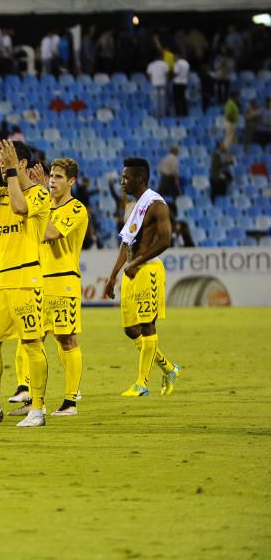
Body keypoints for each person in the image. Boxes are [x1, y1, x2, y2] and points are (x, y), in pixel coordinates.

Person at [0, 140, 52, 429]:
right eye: (1, 162)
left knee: (31, 343)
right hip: (0, 281)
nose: (2, 167)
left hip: (26, 280)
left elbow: (20, 207)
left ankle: (37, 409)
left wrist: (12, 173)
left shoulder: (40, 194)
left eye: (6, 161)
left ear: (22, 164)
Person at [104, 158, 183, 397]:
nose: (121, 182)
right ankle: (169, 368)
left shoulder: (157, 205)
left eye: (125, 177)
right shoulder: (132, 206)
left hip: (148, 270)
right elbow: (125, 243)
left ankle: (142, 384)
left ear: (139, 178)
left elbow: (165, 240)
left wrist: (137, 262)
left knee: (148, 324)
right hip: (131, 272)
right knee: (130, 329)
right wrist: (112, 276)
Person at [23, 158, 89, 417]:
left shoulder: (76, 209)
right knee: (33, 339)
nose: (52, 181)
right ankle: (33, 399)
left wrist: (40, 204)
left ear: (71, 181)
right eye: (51, 175)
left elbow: (49, 233)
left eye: (59, 177)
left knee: (66, 338)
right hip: (39, 280)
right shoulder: (45, 205)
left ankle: (71, 401)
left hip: (63, 281)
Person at [146, 55, 169, 119]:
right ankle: (163, 114)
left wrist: (151, 80)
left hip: (155, 83)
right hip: (162, 83)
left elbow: (149, 74)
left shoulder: (151, 64)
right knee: (162, 99)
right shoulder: (164, 64)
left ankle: (157, 114)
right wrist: (166, 80)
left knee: (155, 99)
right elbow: (167, 73)